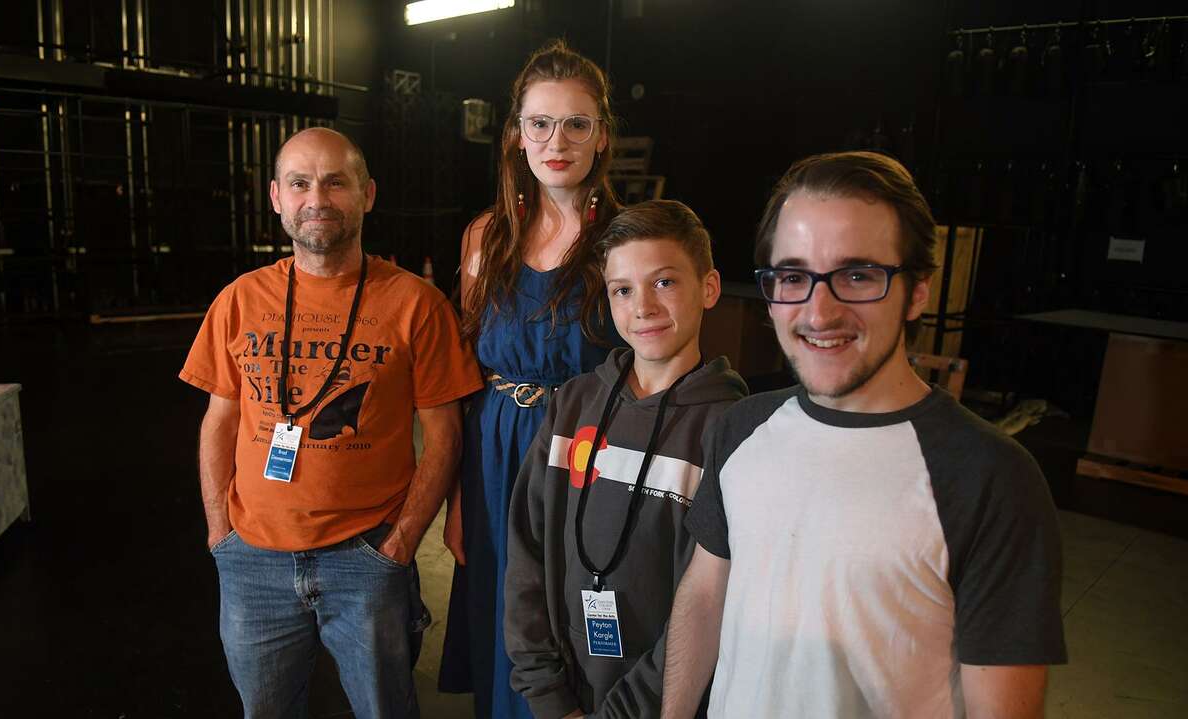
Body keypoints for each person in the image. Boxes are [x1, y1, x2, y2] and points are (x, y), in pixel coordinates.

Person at [661, 151, 1067, 718]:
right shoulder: (742, 426)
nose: (818, 311)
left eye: (857, 275)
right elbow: (705, 595)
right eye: (794, 276)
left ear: (918, 290)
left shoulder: (989, 476)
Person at [180, 127, 483, 718]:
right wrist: (222, 534)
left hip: (365, 559)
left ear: (368, 194)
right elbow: (219, 421)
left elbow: (445, 436)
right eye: (300, 183)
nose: (316, 198)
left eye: (335, 181)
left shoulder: (416, 303)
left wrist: (398, 546)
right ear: (276, 197)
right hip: (252, 564)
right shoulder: (239, 300)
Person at [504, 201, 747, 718]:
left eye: (664, 282)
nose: (643, 307)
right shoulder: (572, 404)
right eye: (623, 289)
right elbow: (526, 552)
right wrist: (549, 696)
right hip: (563, 695)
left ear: (709, 287)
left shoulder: (732, 431)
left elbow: (712, 605)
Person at [439, 41, 623, 719]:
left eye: (576, 123)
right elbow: (466, 376)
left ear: (601, 136)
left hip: (584, 453)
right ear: (516, 135)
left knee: (574, 618)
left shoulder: (623, 242)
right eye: (540, 123)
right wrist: (460, 497)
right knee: (501, 610)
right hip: (494, 451)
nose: (557, 140)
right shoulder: (484, 237)